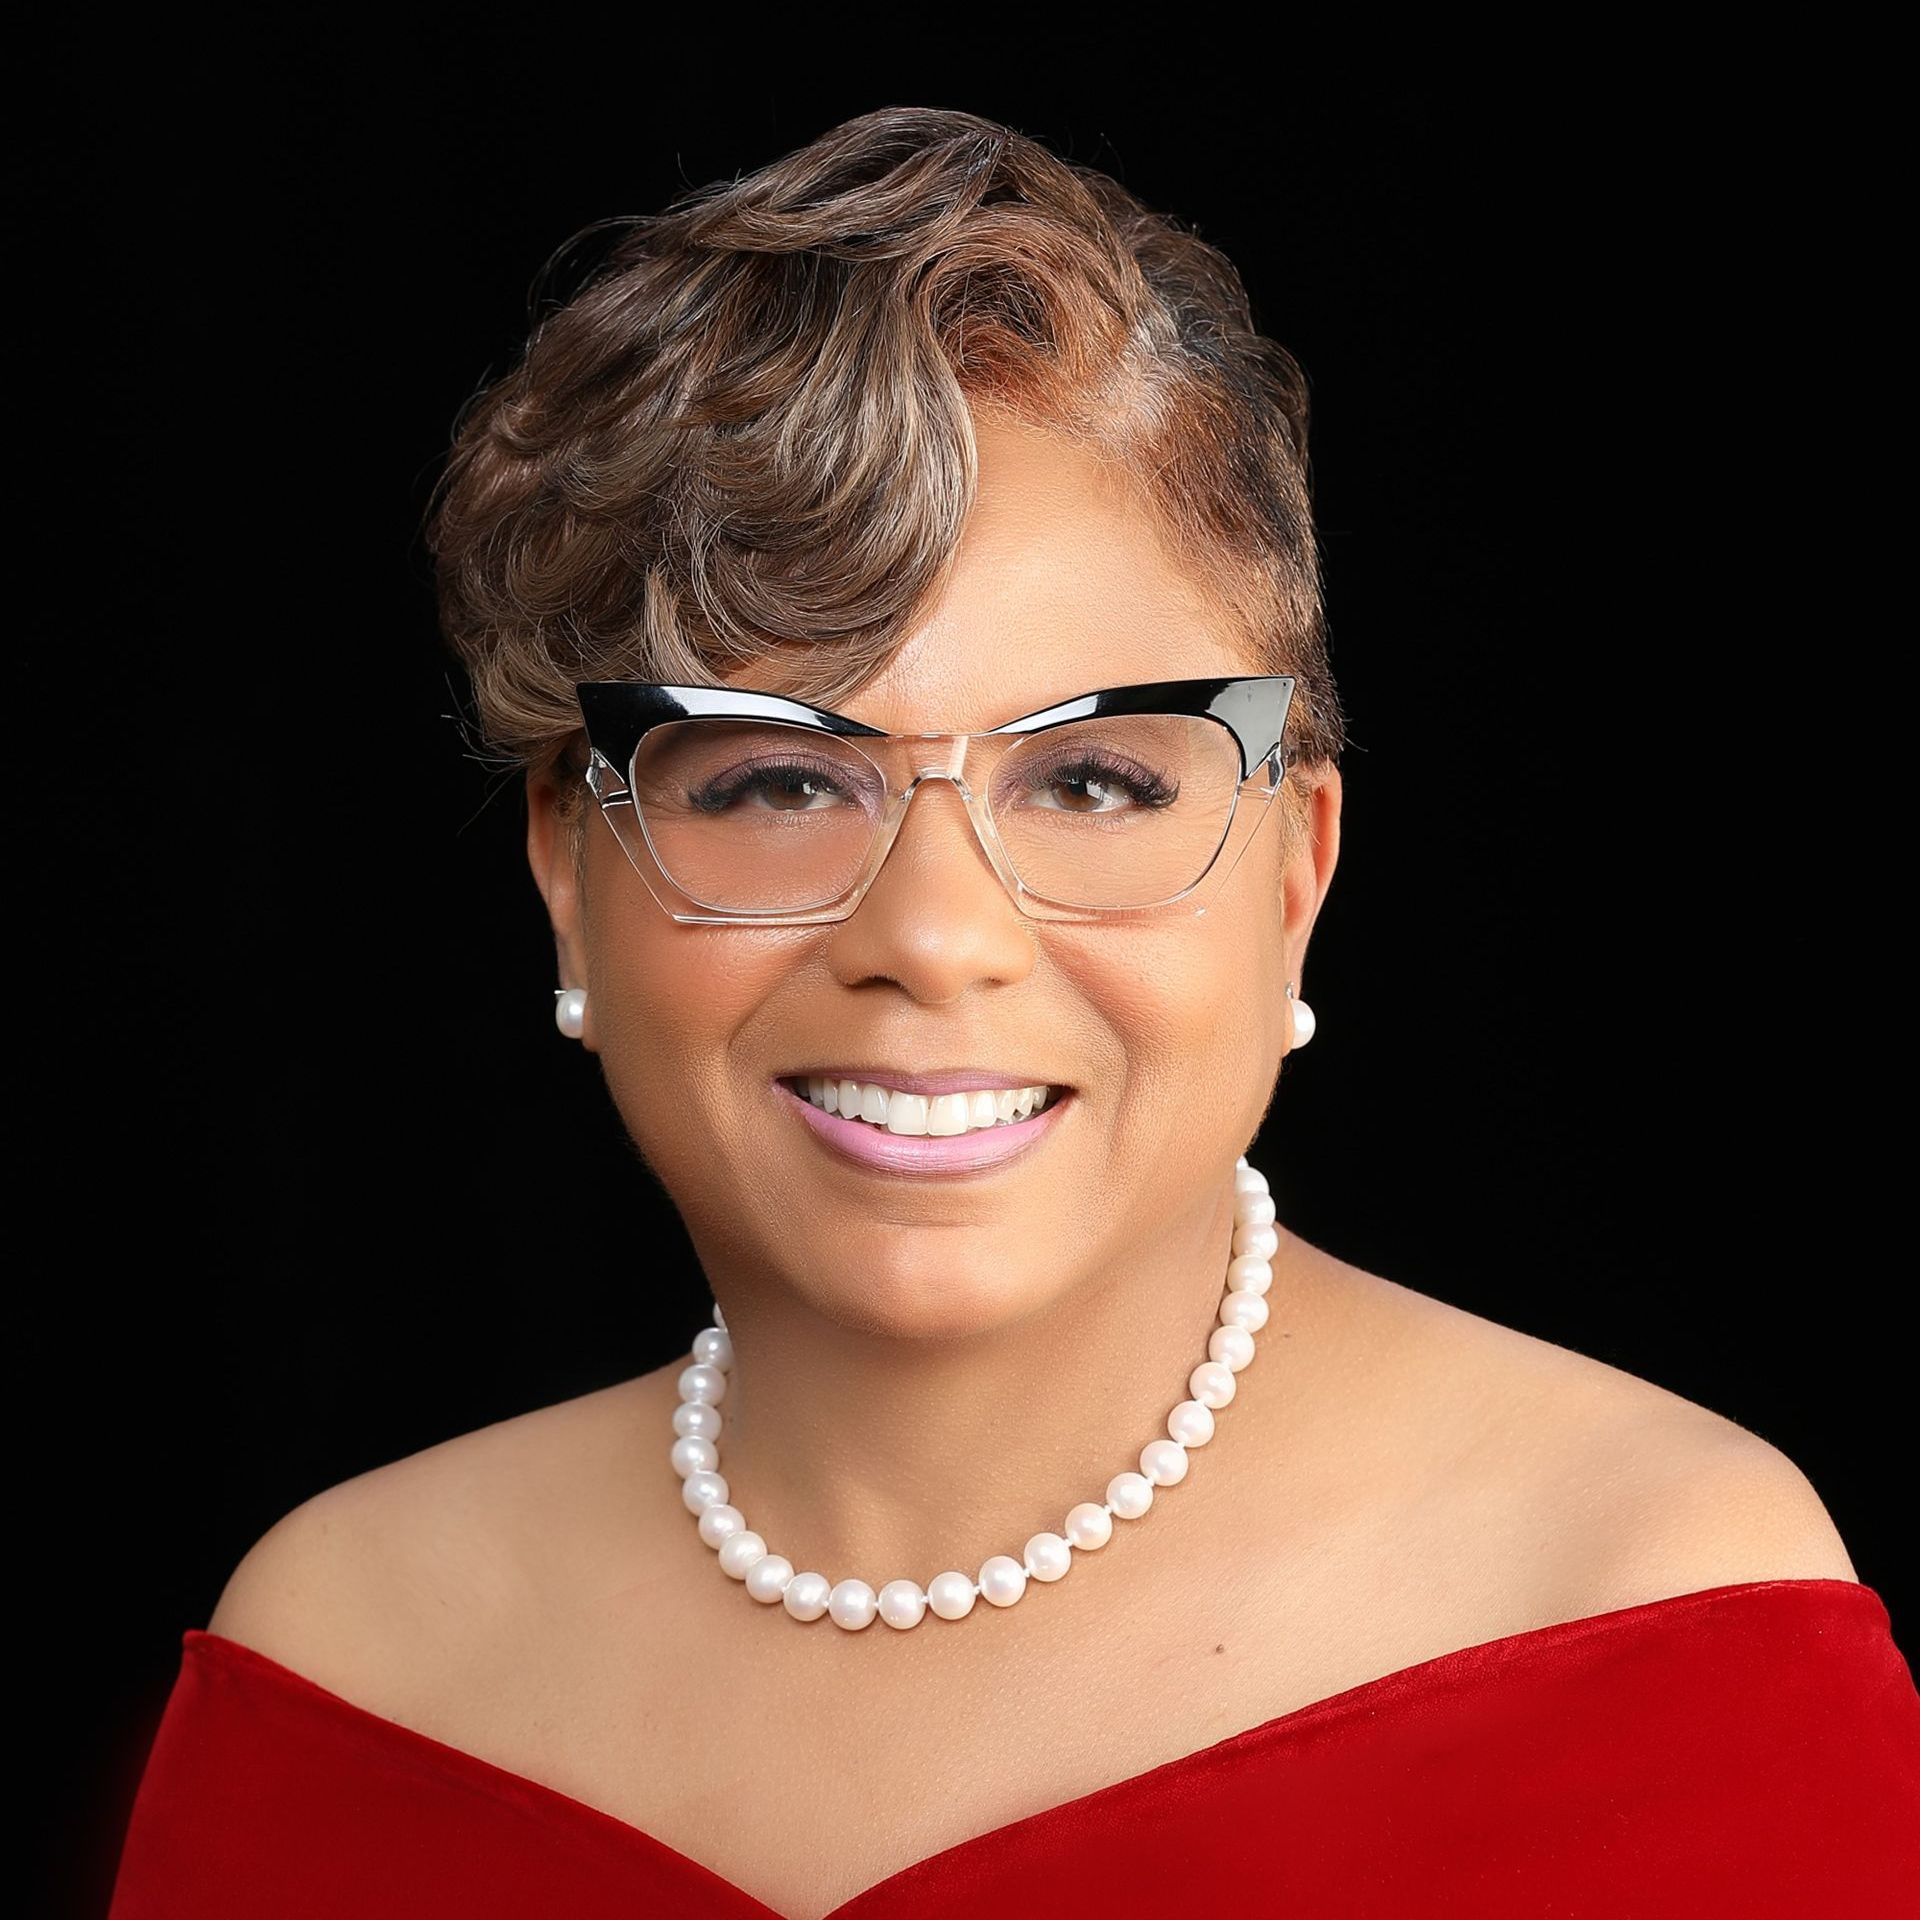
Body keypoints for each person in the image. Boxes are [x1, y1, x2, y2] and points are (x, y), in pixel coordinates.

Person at [106, 105, 1919, 1920]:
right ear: (571, 868)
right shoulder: (339, 1666)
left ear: (1297, 869)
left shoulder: (1668, 1623)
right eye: (777, 781)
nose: (936, 937)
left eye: (1096, 781)